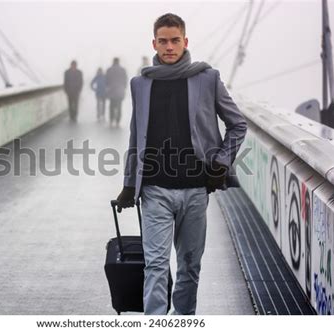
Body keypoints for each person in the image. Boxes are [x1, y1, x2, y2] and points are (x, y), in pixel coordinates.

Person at [116, 13, 247, 315]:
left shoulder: (207, 78)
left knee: (190, 267)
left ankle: (184, 319)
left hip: (195, 189)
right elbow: (137, 136)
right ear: (155, 43)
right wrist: (127, 184)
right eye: (163, 41)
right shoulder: (140, 84)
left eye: (175, 40)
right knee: (156, 266)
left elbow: (238, 124)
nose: (169, 47)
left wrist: (220, 164)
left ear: (185, 42)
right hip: (154, 190)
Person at [105, 57, 128, 127]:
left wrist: (108, 87)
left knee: (112, 106)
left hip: (112, 90)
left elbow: (106, 80)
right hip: (120, 91)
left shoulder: (109, 70)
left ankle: (111, 119)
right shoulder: (122, 70)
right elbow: (125, 80)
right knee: (119, 106)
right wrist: (124, 88)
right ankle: (118, 121)